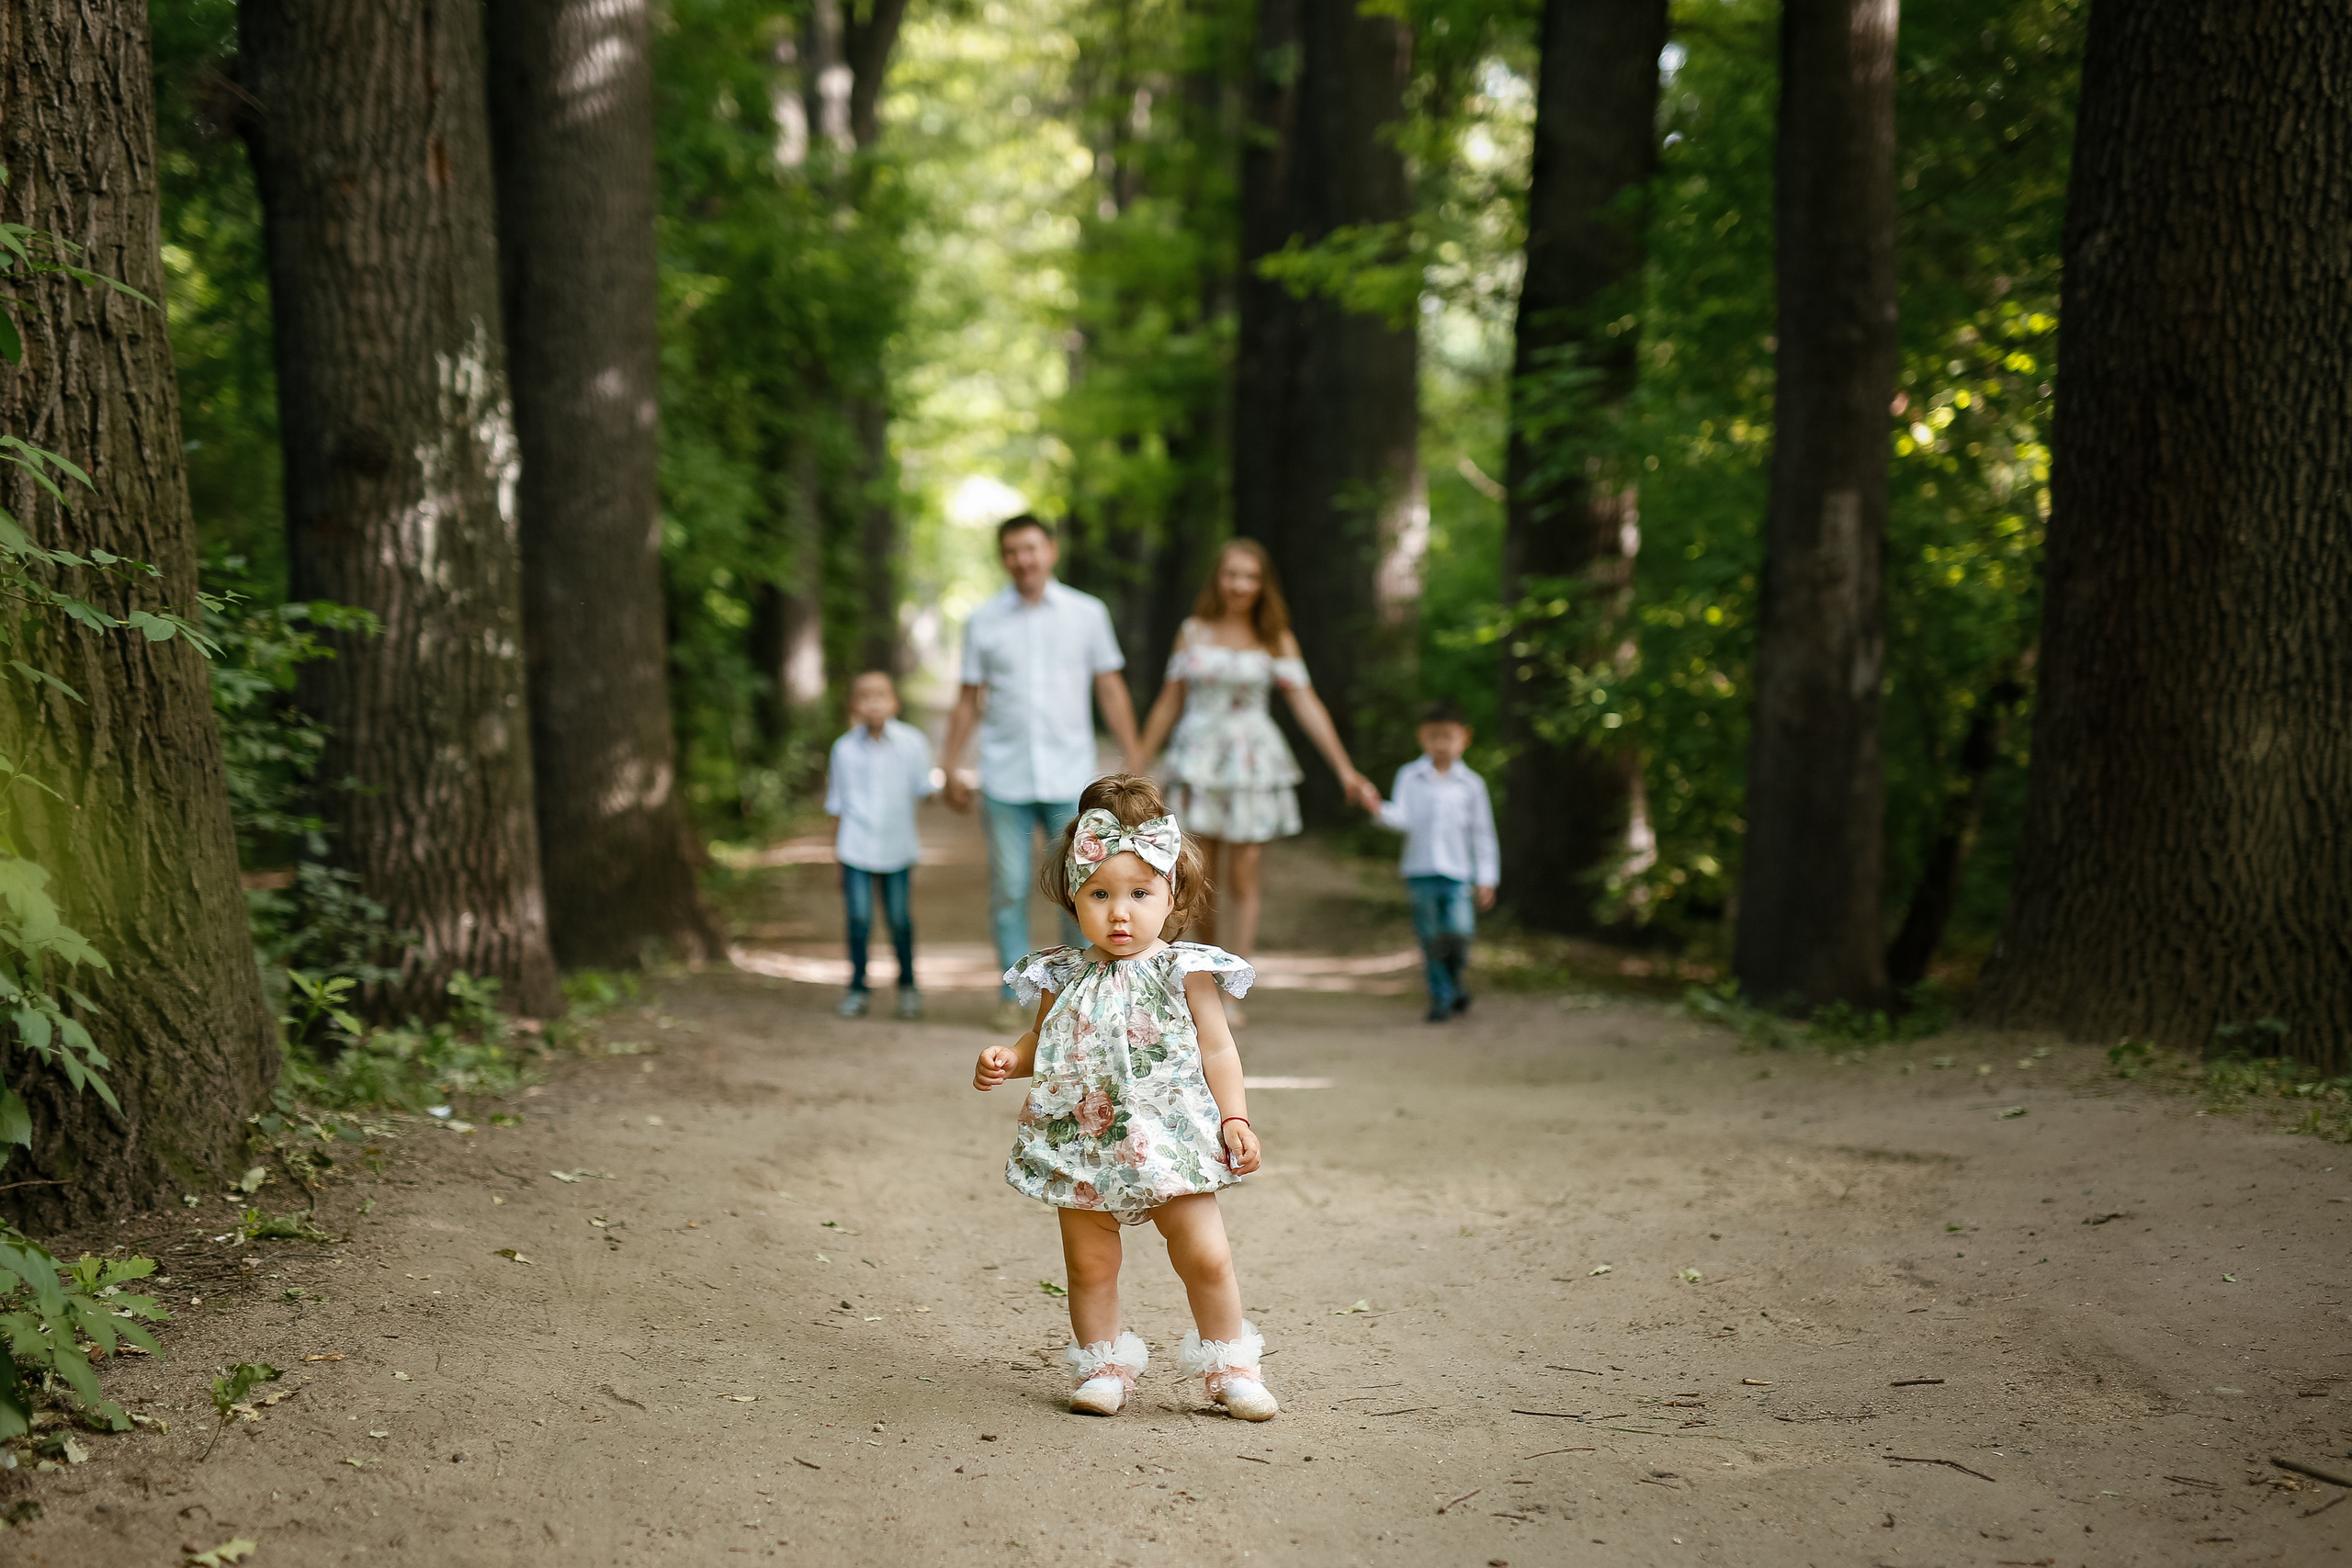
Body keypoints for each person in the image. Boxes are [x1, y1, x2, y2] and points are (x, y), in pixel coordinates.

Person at [970, 774, 1278, 1422]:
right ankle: (1103, 1366)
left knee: (1206, 1255)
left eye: (1140, 894)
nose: (1119, 912)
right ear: (1072, 895)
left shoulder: (1185, 970)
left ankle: (1231, 1367)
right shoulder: (1061, 973)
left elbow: (1218, 1049)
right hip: (1085, 1139)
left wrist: (1236, 1116)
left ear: (1172, 895)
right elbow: (1042, 1041)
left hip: (1173, 1137)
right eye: (1100, 894)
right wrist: (1009, 1059)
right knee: (1089, 1264)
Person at [1137, 539, 1378, 1006]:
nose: (1240, 585)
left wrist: (1345, 769)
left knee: (1244, 876)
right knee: (1199, 877)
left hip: (1251, 765)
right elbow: (1169, 701)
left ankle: (1234, 990)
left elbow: (1306, 703)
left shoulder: (1275, 637)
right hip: (1198, 762)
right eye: (1232, 575)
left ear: (1263, 584)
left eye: (1250, 577)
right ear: (1218, 579)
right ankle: (1205, 976)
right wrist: (1139, 766)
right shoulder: (1192, 631)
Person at [940, 515, 1145, 1032]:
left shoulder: (1087, 613)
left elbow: (1110, 687)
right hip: (1004, 778)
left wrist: (1134, 755)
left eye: (1030, 548)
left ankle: (1079, 992)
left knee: (1080, 887)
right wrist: (950, 763)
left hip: (1070, 779)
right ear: (1003, 558)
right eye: (1011, 551)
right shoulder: (983, 620)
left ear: (1051, 550)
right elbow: (968, 697)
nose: (1022, 559)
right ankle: (1013, 994)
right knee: (1009, 888)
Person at [1368, 699, 1498, 1023]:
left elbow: (1482, 834)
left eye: (1448, 736)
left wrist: (1487, 878)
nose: (1441, 744)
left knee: (1459, 933)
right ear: (1422, 737)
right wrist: (1377, 809)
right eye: (1434, 736)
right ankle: (1441, 997)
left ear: (1464, 738)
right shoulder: (1410, 776)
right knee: (1430, 938)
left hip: (1458, 873)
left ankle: (1455, 982)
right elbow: (1402, 819)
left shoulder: (1472, 785)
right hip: (1420, 870)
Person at [822, 671, 936, 1020]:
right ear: (853, 705)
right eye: (865, 696)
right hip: (854, 848)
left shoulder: (912, 743)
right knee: (858, 919)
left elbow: (924, 787)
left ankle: (908, 986)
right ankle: (857, 988)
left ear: (894, 703)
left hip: (897, 847)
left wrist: (946, 790)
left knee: (899, 919)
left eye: (880, 695)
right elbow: (837, 803)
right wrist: (836, 856)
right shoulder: (843, 749)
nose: (873, 703)